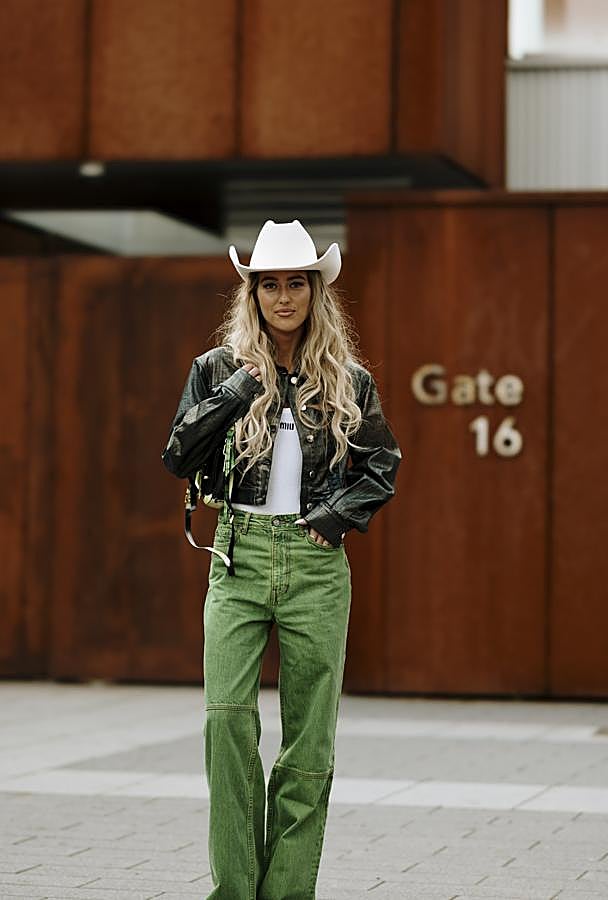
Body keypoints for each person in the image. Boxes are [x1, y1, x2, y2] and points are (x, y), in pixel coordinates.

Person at [162, 219, 401, 899]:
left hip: (316, 566)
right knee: (227, 727)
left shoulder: (348, 379)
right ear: (254, 293)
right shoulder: (215, 370)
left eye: (297, 283)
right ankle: (236, 892)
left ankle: (288, 893)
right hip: (238, 557)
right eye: (271, 284)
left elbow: (381, 464)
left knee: (308, 746)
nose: (285, 297)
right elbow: (178, 453)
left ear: (316, 290)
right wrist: (239, 389)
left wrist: (330, 521)